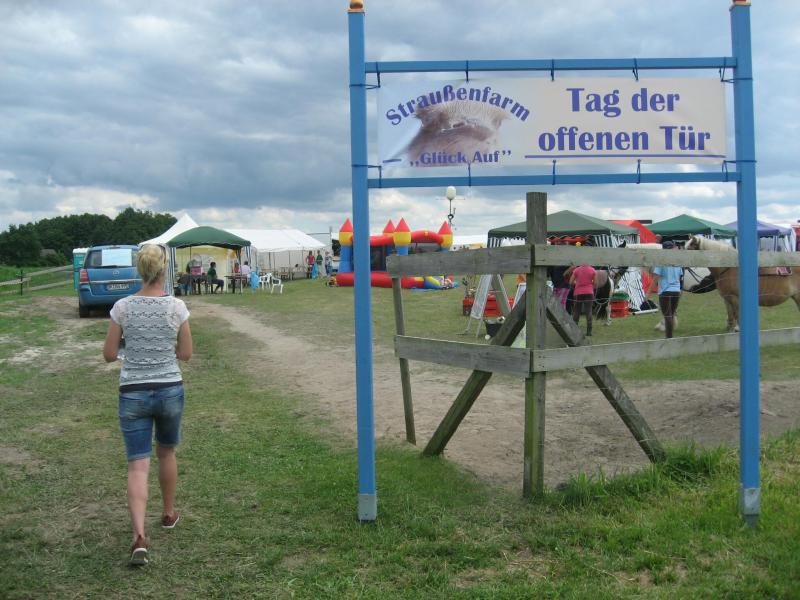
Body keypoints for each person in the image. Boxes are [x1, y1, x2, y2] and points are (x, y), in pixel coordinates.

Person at [102, 244, 193, 566]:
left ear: (139, 271)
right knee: (166, 452)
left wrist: (130, 350)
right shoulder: (177, 307)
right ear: (164, 269)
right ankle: (168, 513)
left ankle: (139, 536)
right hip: (169, 389)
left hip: (132, 392)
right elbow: (186, 354)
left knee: (137, 465)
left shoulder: (122, 308)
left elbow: (109, 354)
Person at [651, 240, 683, 339]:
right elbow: (680, 277)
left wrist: (648, 293)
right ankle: (670, 337)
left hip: (665, 291)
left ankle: (669, 339)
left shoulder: (661, 262)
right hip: (676, 291)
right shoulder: (678, 262)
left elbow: (655, 278)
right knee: (671, 315)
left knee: (667, 316)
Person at [569, 263, 597, 336]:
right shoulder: (592, 270)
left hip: (578, 292)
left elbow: (570, 282)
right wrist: (590, 285)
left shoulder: (576, 270)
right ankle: (589, 332)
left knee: (576, 312)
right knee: (589, 311)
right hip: (589, 292)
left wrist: (577, 283)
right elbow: (596, 283)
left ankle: (574, 330)